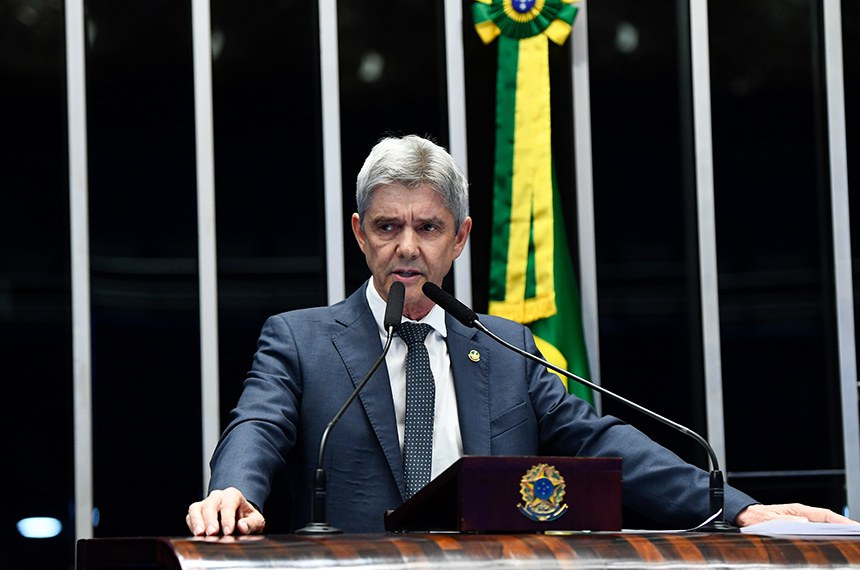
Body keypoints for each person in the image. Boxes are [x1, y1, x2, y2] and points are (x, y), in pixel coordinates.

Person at [187, 135, 854, 536]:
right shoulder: (302, 341)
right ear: (360, 233)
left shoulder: (505, 350)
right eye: (388, 228)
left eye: (429, 227)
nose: (408, 248)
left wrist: (736, 510)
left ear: (461, 237)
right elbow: (259, 424)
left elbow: (605, 445)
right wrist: (233, 490)